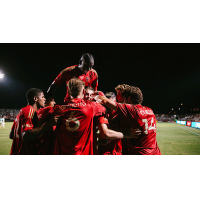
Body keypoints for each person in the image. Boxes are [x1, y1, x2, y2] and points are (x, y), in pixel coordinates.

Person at [49, 78, 138, 155]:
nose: (88, 97)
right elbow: (105, 131)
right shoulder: (92, 107)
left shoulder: (57, 108)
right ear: (83, 92)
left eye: (91, 95)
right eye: (87, 94)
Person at [92, 85, 161, 155]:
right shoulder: (149, 110)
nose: (123, 102)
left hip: (141, 153)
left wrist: (98, 95)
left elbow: (105, 101)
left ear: (129, 98)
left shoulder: (132, 110)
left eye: (124, 98)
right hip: (155, 152)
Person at [9, 88, 59, 155]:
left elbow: (11, 135)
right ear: (35, 99)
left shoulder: (22, 112)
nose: (44, 99)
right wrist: (48, 124)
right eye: (42, 97)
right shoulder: (29, 111)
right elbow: (25, 136)